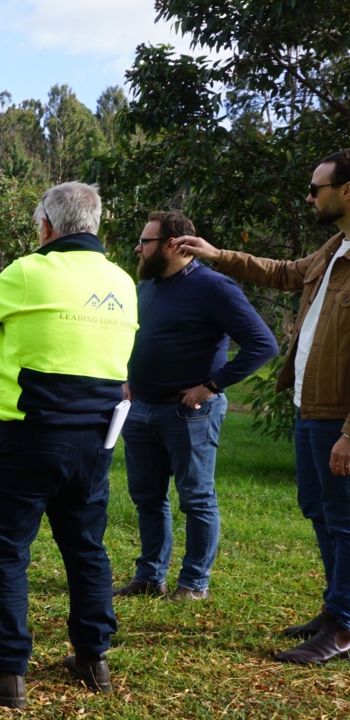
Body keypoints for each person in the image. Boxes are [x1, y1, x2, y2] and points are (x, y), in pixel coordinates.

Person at [0, 182, 137, 708]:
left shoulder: (29, 271)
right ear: (95, 224)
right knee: (86, 548)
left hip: (30, 434)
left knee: (6, 553)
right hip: (97, 439)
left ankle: (6, 672)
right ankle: (92, 659)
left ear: (47, 227)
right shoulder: (123, 281)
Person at [174, 150, 350, 663]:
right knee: (319, 510)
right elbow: (283, 271)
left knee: (343, 519)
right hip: (308, 406)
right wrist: (216, 253)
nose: (310, 195)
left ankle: (342, 626)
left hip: (338, 415)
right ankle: (334, 608)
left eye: (317, 187)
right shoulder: (335, 247)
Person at [116, 211, 276, 602]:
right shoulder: (148, 286)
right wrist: (126, 377)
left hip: (189, 413)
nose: (138, 248)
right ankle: (151, 577)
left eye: (145, 241)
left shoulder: (214, 286)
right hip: (141, 409)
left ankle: (194, 584)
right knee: (147, 498)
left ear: (173, 245)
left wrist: (210, 386)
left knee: (196, 499)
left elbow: (262, 344)